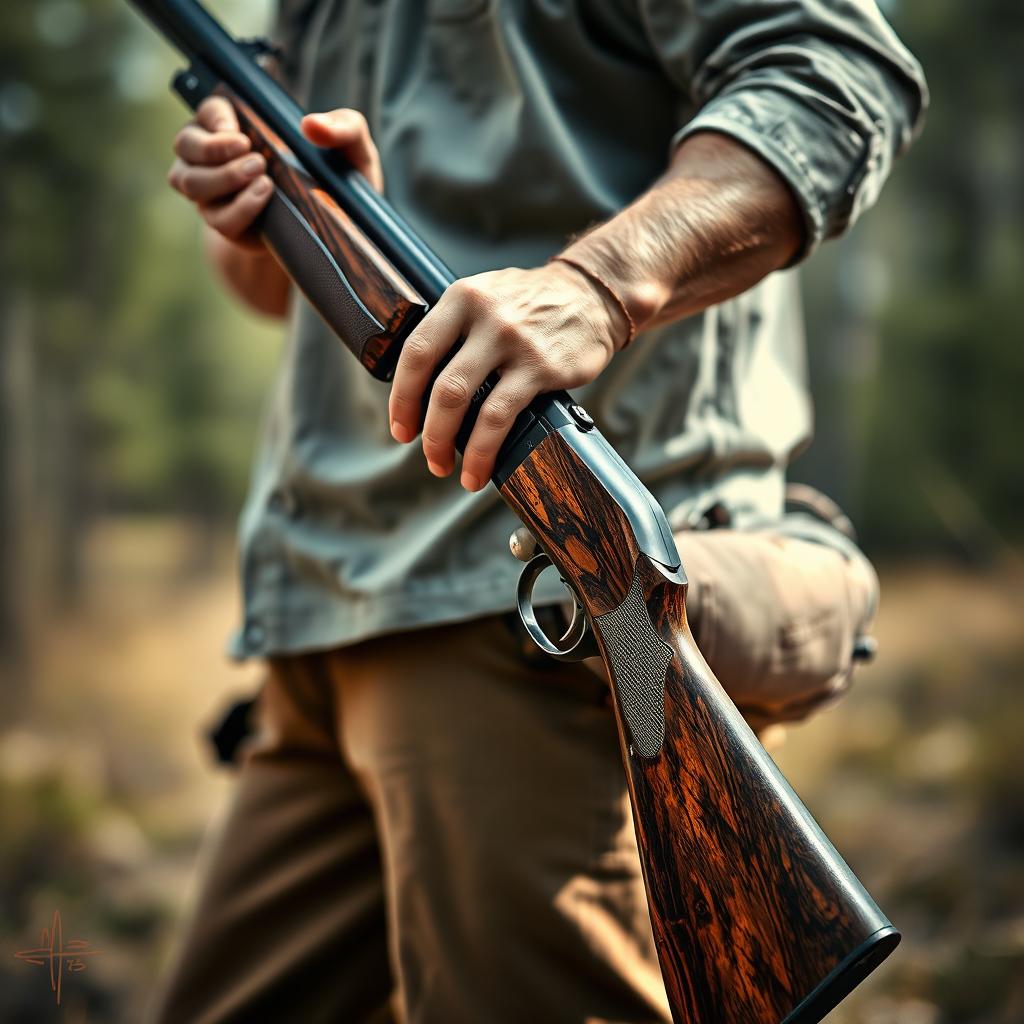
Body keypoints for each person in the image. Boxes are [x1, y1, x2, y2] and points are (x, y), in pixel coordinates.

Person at [151, 1, 926, 1021]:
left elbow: (833, 77)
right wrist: (262, 214)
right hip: (324, 607)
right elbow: (270, 296)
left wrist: (600, 284)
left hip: (545, 622)